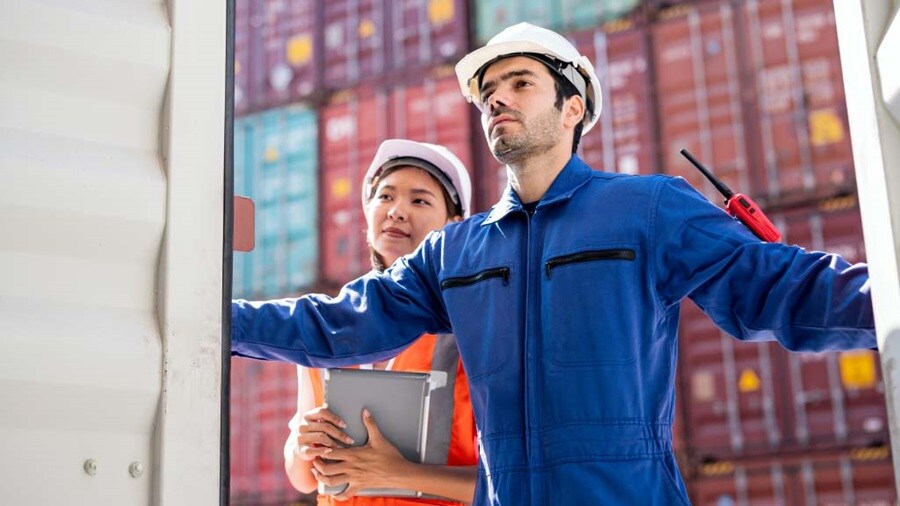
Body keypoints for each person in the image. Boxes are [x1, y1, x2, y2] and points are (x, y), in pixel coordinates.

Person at [233, 23, 876, 505]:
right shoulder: (455, 253)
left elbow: (786, 289)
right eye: (488, 92)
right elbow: (333, 325)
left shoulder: (647, 212)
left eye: (520, 84)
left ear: (574, 108)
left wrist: (890, 299)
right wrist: (212, 317)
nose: (497, 100)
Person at [282, 139, 478, 505]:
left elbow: (516, 483)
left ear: (454, 226)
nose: (397, 211)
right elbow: (303, 478)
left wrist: (398, 474)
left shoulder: (477, 327)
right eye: (385, 197)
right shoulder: (328, 321)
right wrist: (301, 443)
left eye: (419, 200)